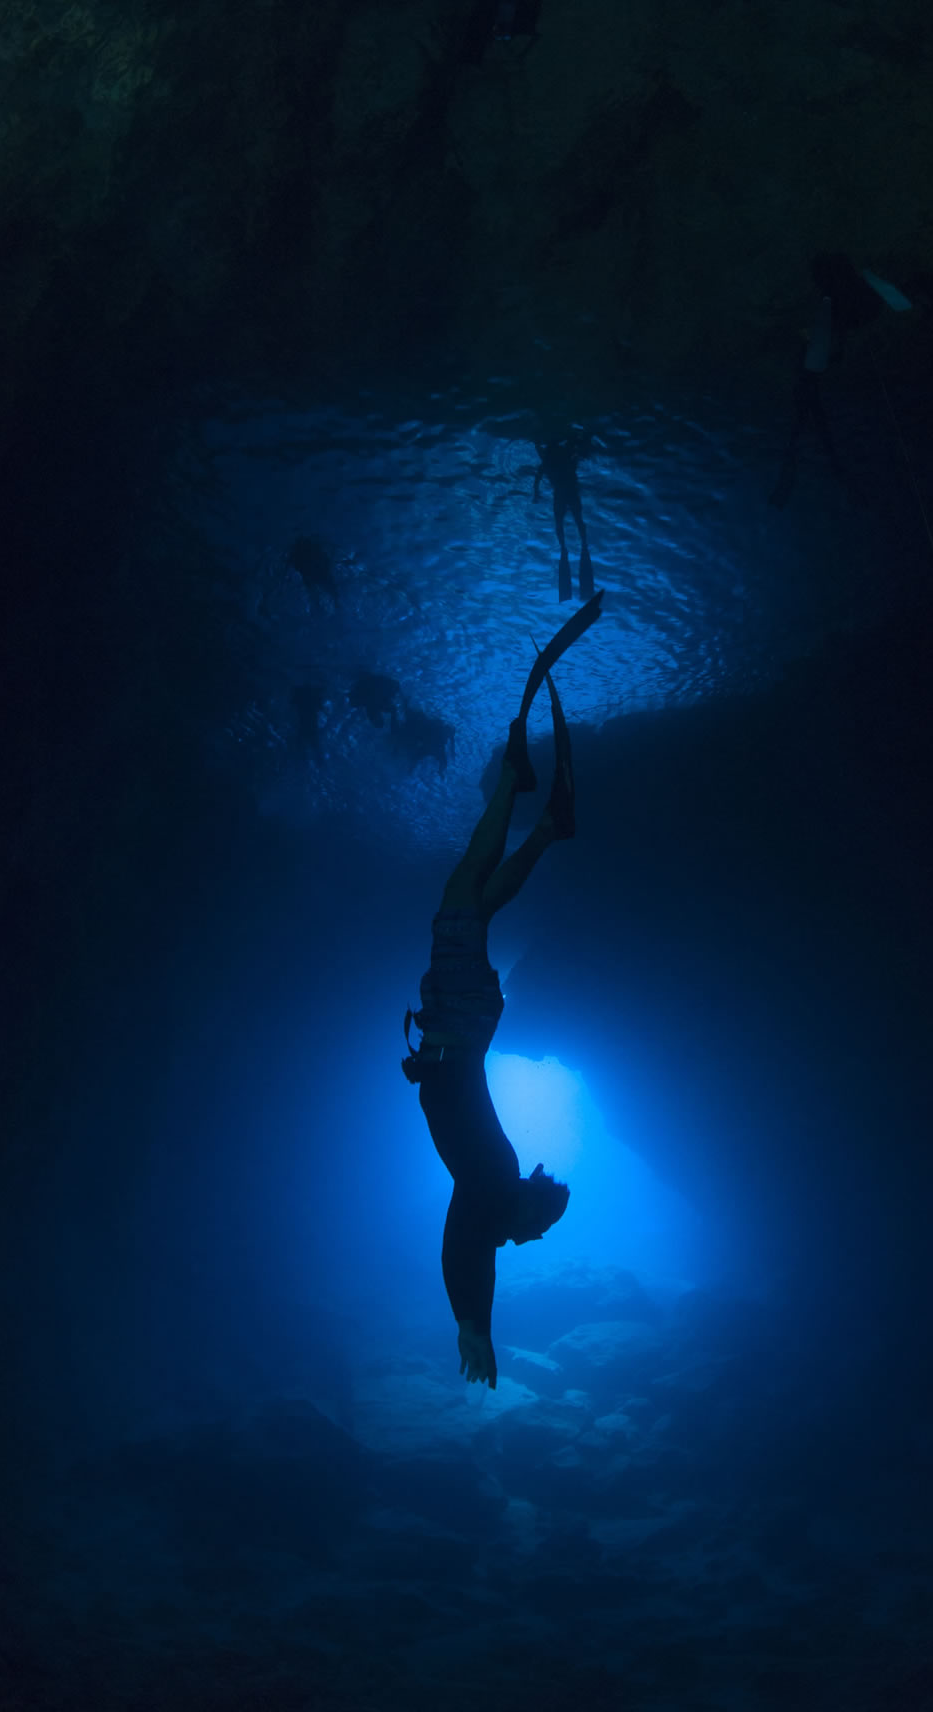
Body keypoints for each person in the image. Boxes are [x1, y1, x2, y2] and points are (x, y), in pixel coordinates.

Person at [404, 593, 604, 1389]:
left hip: (467, 1024)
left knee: (473, 904)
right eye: (540, 1226)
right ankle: (513, 787)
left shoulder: (494, 1187)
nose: (536, 1240)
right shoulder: (489, 1182)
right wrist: (472, 1324)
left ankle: (547, 824)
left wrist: (478, 1321)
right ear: (523, 1203)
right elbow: (465, 1251)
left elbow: (475, 1249)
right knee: (459, 899)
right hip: (460, 1023)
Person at [533, 433, 595, 601]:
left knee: (561, 524)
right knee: (577, 520)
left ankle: (565, 549)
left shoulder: (547, 460)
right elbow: (579, 453)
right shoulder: (565, 455)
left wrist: (536, 493)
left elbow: (538, 478)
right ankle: (583, 545)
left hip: (561, 494)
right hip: (571, 492)